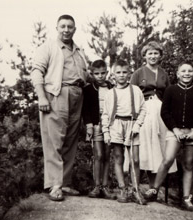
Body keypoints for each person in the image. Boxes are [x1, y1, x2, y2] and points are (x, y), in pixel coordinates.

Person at [30, 14, 89, 201]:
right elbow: (37, 71)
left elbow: (85, 75)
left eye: (70, 27)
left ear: (75, 29)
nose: (66, 30)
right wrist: (42, 97)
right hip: (56, 94)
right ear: (57, 28)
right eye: (62, 26)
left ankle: (65, 183)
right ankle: (54, 185)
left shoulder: (79, 51)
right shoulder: (48, 47)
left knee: (71, 140)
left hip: (77, 95)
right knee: (54, 140)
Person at [148, 61, 193, 211]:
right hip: (174, 131)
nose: (186, 73)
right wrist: (175, 129)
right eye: (183, 71)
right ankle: (154, 189)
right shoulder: (171, 90)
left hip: (192, 132)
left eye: (190, 70)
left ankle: (187, 199)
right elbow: (165, 112)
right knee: (168, 159)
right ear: (178, 74)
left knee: (188, 164)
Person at [126, 41, 177, 201]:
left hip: (161, 112)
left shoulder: (164, 74)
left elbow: (169, 94)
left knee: (157, 148)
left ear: (160, 55)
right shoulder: (138, 73)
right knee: (143, 148)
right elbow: (131, 94)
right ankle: (134, 189)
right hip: (144, 111)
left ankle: (153, 190)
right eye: (150, 53)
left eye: (156, 53)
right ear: (145, 55)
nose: (153, 56)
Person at [101, 59, 147, 205]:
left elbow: (143, 110)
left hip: (132, 124)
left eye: (124, 72)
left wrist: (137, 125)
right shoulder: (110, 93)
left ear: (129, 73)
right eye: (118, 73)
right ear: (113, 75)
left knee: (135, 159)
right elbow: (106, 114)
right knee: (118, 157)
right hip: (116, 125)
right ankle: (122, 188)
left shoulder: (136, 90)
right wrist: (106, 132)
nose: (121, 75)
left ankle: (135, 189)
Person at [82, 59, 116, 200]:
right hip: (96, 125)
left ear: (107, 73)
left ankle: (105, 186)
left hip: (110, 125)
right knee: (98, 155)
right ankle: (96, 186)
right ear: (92, 74)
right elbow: (86, 109)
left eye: (103, 73)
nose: (100, 76)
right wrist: (89, 125)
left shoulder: (112, 88)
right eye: (97, 74)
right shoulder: (89, 89)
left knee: (107, 155)